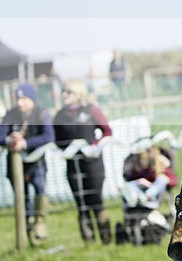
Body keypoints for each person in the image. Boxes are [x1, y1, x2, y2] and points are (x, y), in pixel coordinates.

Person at [53, 80, 114, 244]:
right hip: (72, 164)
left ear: (79, 94)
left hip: (92, 163)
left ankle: (106, 238)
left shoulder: (91, 110)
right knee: (81, 203)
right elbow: (56, 139)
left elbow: (107, 131)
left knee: (96, 200)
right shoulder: (59, 115)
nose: (65, 95)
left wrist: (94, 146)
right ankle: (88, 240)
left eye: (69, 92)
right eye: (64, 92)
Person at [0, 83, 55, 245]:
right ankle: (27, 231)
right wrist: (10, 140)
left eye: (24, 98)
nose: (20, 102)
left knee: (40, 191)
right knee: (22, 198)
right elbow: (1, 134)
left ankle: (39, 224)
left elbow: (48, 136)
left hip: (36, 163)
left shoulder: (41, 113)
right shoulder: (11, 115)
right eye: (18, 98)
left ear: (31, 99)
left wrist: (24, 143)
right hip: (15, 165)